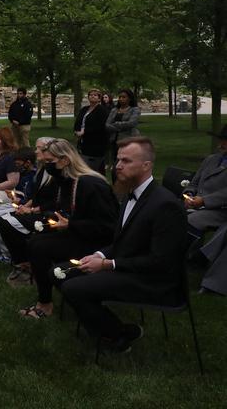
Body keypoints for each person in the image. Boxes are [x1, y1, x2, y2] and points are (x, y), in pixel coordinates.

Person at [60, 137, 187, 352]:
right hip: (131, 267)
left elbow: (161, 262)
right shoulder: (129, 194)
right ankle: (113, 329)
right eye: (118, 160)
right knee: (64, 272)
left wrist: (109, 265)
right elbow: (123, 242)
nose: (118, 166)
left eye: (126, 161)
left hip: (155, 282)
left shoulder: (165, 205)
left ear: (146, 165)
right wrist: (99, 255)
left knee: (73, 287)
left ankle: (118, 335)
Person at [0, 139, 118, 319]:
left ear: (65, 160)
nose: (47, 167)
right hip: (79, 233)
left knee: (39, 247)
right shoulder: (66, 181)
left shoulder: (90, 184)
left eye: (50, 162)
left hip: (99, 244)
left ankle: (45, 303)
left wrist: (70, 224)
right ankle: (42, 289)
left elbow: (108, 227)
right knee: (35, 242)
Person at [187, 125, 227, 294]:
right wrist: (188, 194)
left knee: (192, 219)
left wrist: (204, 200)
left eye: (225, 141)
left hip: (219, 210)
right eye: (222, 140)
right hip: (196, 204)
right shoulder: (211, 159)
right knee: (169, 213)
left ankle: (194, 257)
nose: (221, 144)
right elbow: (194, 182)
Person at [105, 89, 140, 181]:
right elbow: (107, 124)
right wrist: (119, 126)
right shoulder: (114, 110)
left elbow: (132, 123)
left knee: (127, 164)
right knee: (116, 164)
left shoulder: (134, 110)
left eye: (124, 97)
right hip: (114, 140)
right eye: (120, 97)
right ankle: (116, 184)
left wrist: (116, 124)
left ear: (130, 99)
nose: (121, 99)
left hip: (128, 140)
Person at [74, 89, 110, 174]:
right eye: (90, 95)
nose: (92, 96)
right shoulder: (84, 109)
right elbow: (78, 121)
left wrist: (85, 132)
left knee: (93, 167)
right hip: (83, 141)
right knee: (83, 163)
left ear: (99, 98)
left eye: (95, 95)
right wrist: (77, 131)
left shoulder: (102, 110)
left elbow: (101, 126)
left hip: (96, 142)